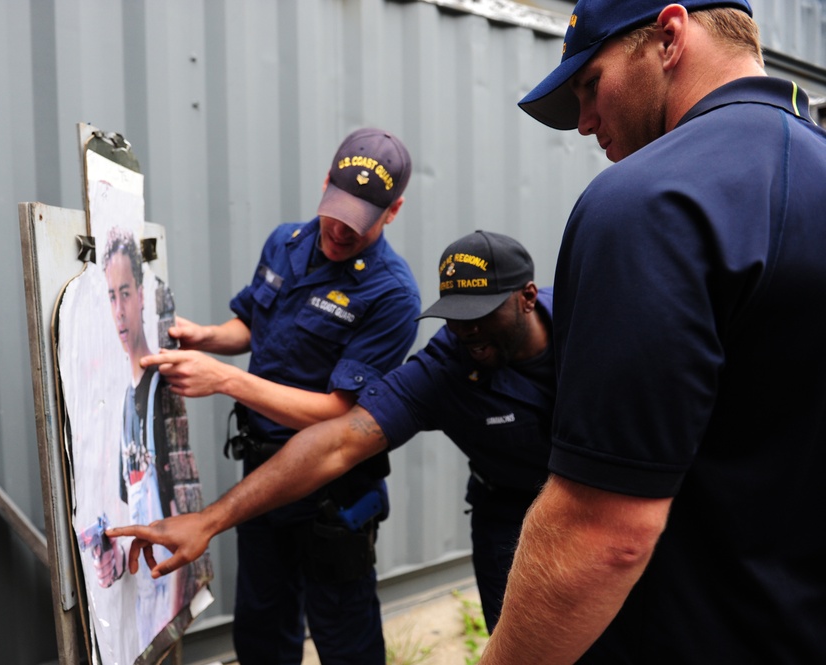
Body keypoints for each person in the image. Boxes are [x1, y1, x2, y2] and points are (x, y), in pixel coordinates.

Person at [479, 1, 826, 663]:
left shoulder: (648, 202)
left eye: (590, 85)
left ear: (669, 36)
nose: (582, 122)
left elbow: (605, 531)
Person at [109, 230, 556, 631]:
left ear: (528, 297)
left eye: (482, 313)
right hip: (509, 512)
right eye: (455, 317)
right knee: (523, 641)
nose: (468, 331)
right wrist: (208, 521)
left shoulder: (589, 328)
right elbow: (338, 441)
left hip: (602, 497)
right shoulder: (444, 371)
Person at [130, 128, 421, 665]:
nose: (338, 230)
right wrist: (205, 336)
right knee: (262, 630)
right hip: (262, 477)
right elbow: (252, 324)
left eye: (359, 221)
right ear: (324, 184)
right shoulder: (286, 242)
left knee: (345, 638)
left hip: (331, 491)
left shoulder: (392, 294)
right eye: (335, 209)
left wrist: (224, 380)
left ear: (393, 210)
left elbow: (341, 413)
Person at [94, 225, 210, 651]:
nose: (120, 309)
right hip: (141, 591)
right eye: (111, 296)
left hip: (170, 579)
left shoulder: (164, 381)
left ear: (142, 294)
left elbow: (181, 497)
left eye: (126, 292)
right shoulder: (121, 402)